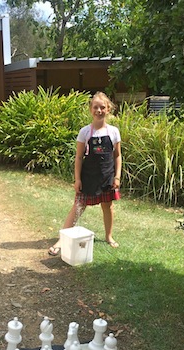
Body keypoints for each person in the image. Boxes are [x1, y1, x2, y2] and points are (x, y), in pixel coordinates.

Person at [48, 91, 122, 256]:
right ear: (91, 109)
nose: (99, 110)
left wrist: (117, 177)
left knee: (108, 206)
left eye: (102, 107)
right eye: (95, 107)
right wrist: (77, 179)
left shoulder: (114, 132)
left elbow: (117, 156)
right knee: (79, 206)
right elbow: (79, 157)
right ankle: (61, 241)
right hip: (88, 176)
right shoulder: (85, 132)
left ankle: (109, 237)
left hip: (107, 176)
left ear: (108, 109)